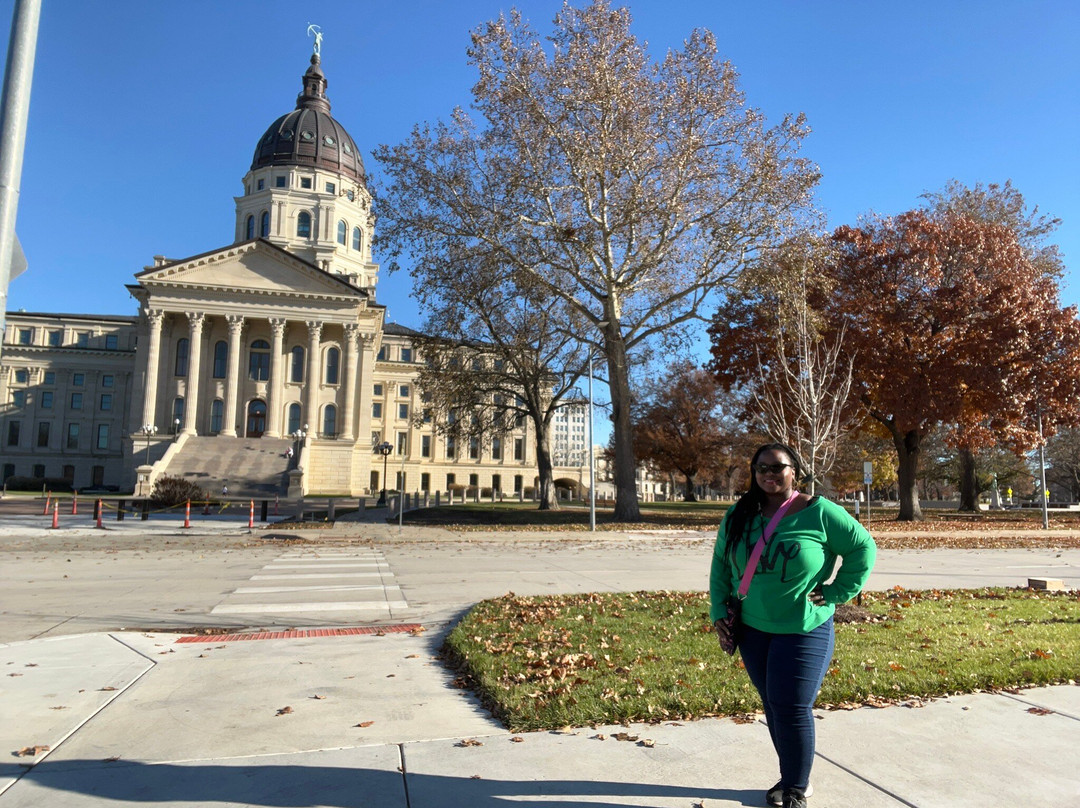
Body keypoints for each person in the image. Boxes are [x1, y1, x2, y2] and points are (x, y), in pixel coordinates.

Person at [710, 443, 876, 808]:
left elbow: (863, 547)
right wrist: (717, 610)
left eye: (777, 467)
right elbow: (721, 565)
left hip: (804, 628)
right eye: (761, 468)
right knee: (773, 703)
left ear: (794, 471)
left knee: (791, 706)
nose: (769, 474)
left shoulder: (818, 512)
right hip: (753, 629)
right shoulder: (739, 514)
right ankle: (793, 775)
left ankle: (796, 789)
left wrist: (838, 591)